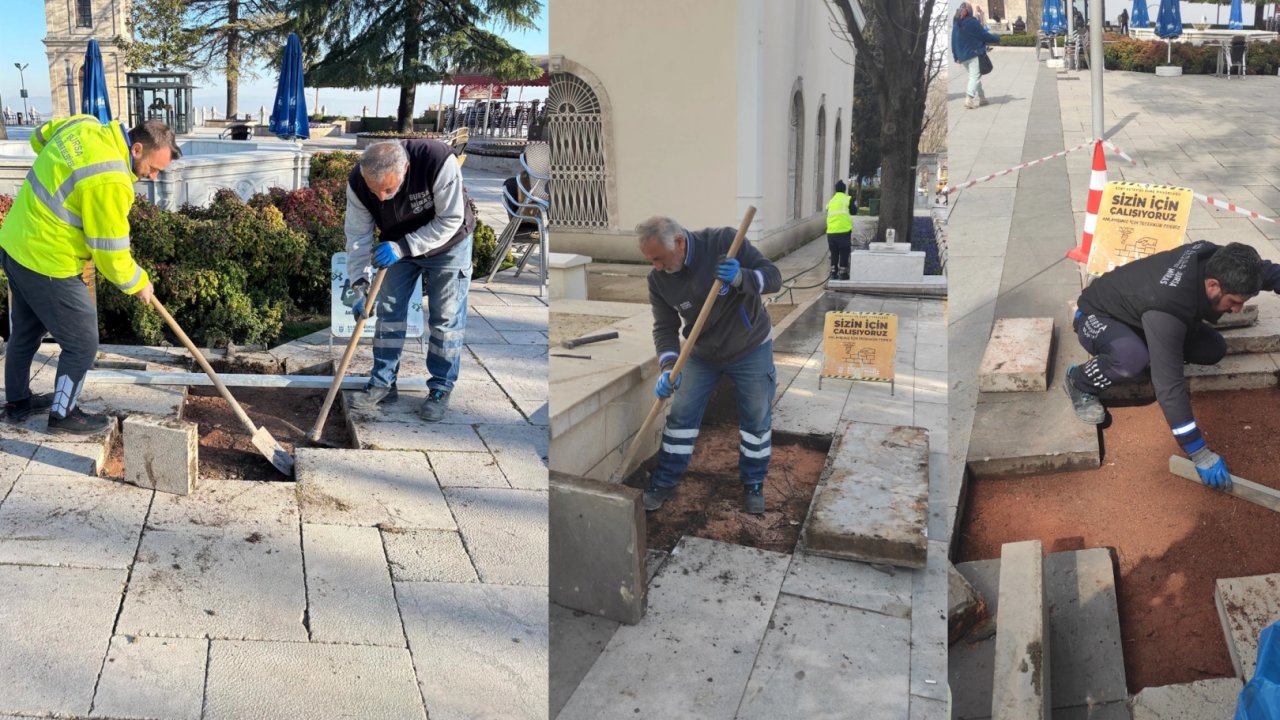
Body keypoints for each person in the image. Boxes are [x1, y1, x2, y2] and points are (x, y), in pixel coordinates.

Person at [0, 116, 178, 434]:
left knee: (25, 332)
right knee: (82, 343)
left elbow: (39, 138)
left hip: (15, 242)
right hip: (48, 259)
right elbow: (109, 252)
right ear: (137, 149)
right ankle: (63, 414)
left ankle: (17, 404)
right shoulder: (110, 180)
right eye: (154, 169)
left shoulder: (85, 125)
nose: (152, 178)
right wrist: (138, 282)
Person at [1063, 241, 1280, 490]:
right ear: (1213, 286)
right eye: (1233, 301)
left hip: (1143, 313)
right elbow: (1169, 386)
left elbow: (1269, 273)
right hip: (1098, 316)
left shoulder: (1222, 261)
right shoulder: (1169, 306)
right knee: (1131, 360)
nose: (1237, 309)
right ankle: (1079, 380)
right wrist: (1198, 451)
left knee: (1212, 349)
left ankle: (1147, 348)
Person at [637, 216, 782, 515]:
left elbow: (773, 277)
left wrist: (742, 277)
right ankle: (664, 481)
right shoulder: (658, 280)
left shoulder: (723, 242)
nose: (657, 267)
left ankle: (753, 482)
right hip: (702, 352)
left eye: (660, 259)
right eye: (651, 261)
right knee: (681, 416)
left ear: (678, 242)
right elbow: (664, 328)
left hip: (749, 345)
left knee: (756, 417)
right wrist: (668, 366)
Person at [344, 139, 475, 422]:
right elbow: (357, 236)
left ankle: (441, 387)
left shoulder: (437, 161)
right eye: (374, 190)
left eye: (389, 190)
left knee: (445, 319)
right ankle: (382, 383)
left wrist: (403, 247)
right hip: (396, 247)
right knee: (389, 313)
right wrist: (359, 286)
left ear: (406, 168)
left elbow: (451, 218)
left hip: (448, 243)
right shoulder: (357, 183)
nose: (381, 198)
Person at [952, 2, 1002, 110]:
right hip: (973, 54)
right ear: (970, 11)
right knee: (975, 77)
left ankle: (982, 98)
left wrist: (955, 56)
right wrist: (998, 38)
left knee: (975, 76)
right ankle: (969, 98)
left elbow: (953, 41)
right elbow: (984, 35)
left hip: (962, 56)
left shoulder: (956, 24)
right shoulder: (972, 22)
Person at [826, 180, 855, 280]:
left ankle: (833, 273)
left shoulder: (831, 201)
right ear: (844, 190)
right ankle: (843, 273)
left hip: (831, 233)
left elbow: (827, 209)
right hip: (843, 232)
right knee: (844, 252)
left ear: (836, 190)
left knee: (834, 253)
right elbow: (854, 211)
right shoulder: (847, 199)